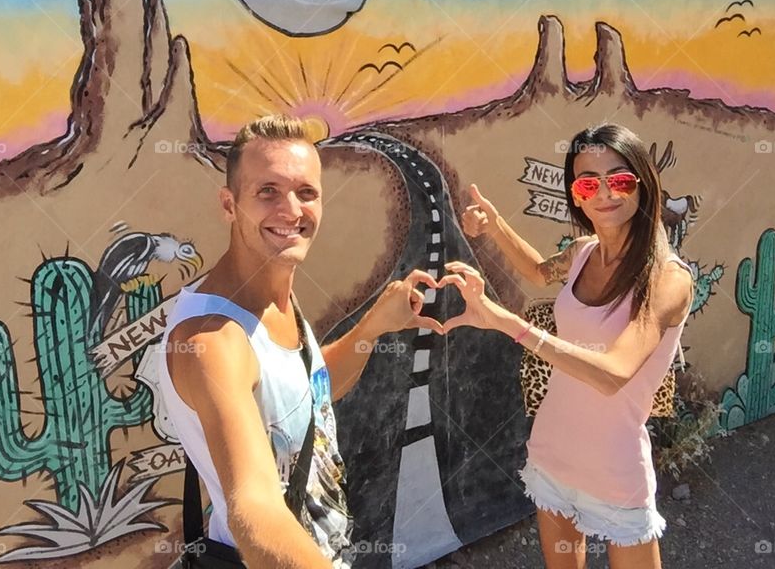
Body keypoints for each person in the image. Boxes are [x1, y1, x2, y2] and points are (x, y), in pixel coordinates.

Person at [156, 115, 440, 568]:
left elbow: (305, 392)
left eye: (306, 193)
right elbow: (254, 509)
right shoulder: (213, 340)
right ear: (229, 205)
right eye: (267, 191)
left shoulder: (272, 293)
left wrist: (371, 329)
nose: (291, 211)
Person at [444, 123, 695, 569]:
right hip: (552, 452)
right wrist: (494, 224)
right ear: (576, 195)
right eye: (587, 182)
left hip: (616, 471)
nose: (605, 193)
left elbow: (613, 372)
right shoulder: (582, 253)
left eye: (619, 179)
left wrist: (510, 325)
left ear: (643, 183)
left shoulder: (668, 280)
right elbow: (539, 271)